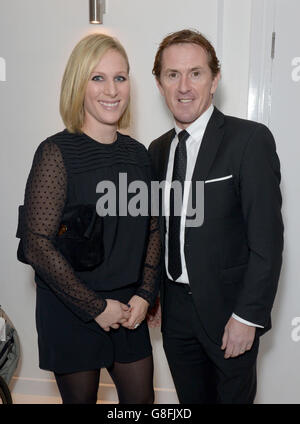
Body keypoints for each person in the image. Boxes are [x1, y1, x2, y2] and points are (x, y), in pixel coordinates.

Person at [19, 33, 160, 404]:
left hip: (128, 308)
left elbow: (153, 228)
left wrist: (146, 294)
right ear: (78, 85)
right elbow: (36, 244)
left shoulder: (139, 155)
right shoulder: (55, 152)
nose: (111, 90)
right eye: (97, 78)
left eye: (120, 77)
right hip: (72, 309)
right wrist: (95, 307)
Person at [148, 29, 283, 404]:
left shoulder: (249, 140)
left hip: (229, 314)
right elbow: (159, 230)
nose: (184, 86)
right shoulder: (157, 150)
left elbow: (267, 243)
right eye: (172, 75)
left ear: (215, 80)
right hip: (174, 314)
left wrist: (247, 317)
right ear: (159, 84)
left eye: (196, 73)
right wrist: (154, 295)